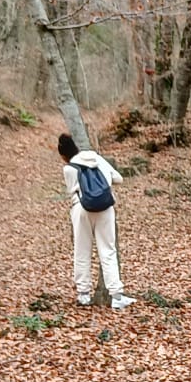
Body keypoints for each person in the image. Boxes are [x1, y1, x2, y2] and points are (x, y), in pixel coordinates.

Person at [58, 132, 136, 310]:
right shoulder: (96, 158)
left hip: (81, 208)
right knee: (108, 250)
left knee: (82, 250)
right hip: (105, 207)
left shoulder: (69, 168)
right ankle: (116, 296)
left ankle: (83, 294)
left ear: (63, 155)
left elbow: (72, 189)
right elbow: (118, 178)